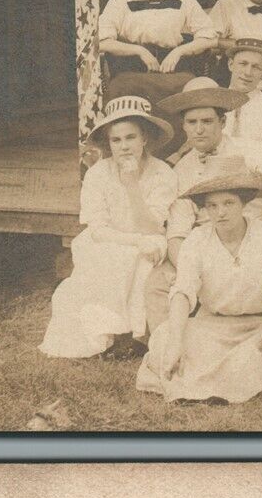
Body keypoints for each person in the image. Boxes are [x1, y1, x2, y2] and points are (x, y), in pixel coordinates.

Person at [137, 157, 262, 404]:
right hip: (212, 327)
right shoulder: (197, 240)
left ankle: (215, 384)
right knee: (164, 336)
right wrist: (176, 342)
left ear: (244, 202)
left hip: (260, 325)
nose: (220, 212)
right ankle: (238, 382)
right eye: (212, 206)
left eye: (229, 203)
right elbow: (183, 293)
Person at [143, 78, 262, 333]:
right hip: (206, 247)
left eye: (207, 121)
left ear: (223, 122)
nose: (199, 129)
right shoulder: (182, 169)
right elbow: (177, 234)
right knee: (157, 284)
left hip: (258, 240)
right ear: (184, 126)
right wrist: (194, 270)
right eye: (192, 122)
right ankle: (168, 350)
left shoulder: (250, 150)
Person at [40, 96, 177, 360]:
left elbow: (152, 224)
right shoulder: (98, 174)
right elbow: (98, 227)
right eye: (117, 140)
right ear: (109, 144)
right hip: (107, 238)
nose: (124, 146)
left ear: (144, 138)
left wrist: (132, 186)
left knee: (145, 256)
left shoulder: (162, 173)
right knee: (106, 256)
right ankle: (107, 332)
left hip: (149, 236)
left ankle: (136, 335)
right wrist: (133, 241)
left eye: (131, 137)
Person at [98, 0, 218, 107]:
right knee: (122, 89)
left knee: (192, 89)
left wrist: (179, 51)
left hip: (174, 72)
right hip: (132, 72)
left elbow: (209, 37)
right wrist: (139, 51)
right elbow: (102, 41)